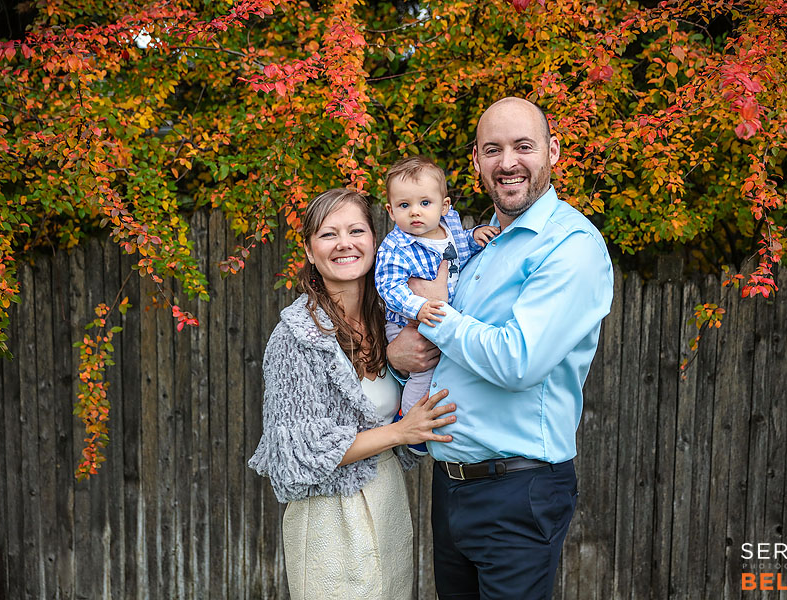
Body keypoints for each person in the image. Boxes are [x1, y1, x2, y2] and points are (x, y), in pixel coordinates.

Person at [387, 97, 615, 599]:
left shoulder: (569, 245)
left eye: (524, 146)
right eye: (493, 149)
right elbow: (437, 347)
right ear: (475, 161)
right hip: (449, 484)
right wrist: (396, 355)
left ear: (552, 151)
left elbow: (517, 361)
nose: (507, 162)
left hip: (518, 490)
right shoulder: (473, 244)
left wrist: (433, 315)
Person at [248, 189, 457, 600]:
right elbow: (299, 452)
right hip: (331, 516)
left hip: (388, 504)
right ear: (309, 250)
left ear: (374, 241)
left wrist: (395, 360)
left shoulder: (390, 319)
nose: (345, 243)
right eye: (329, 234)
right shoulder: (297, 335)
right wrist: (402, 432)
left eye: (356, 230)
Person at [374, 156, 499, 454]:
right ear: (391, 211)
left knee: (449, 368)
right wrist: (417, 307)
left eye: (425, 203)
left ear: (443, 207)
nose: (415, 212)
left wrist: (475, 237)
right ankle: (411, 422)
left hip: (440, 318)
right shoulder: (395, 247)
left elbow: (460, 250)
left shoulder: (450, 226)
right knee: (423, 371)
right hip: (406, 322)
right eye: (404, 206)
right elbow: (387, 286)